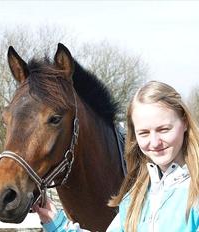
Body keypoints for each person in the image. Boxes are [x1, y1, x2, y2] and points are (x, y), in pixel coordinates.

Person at [32, 81, 199, 231]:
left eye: (164, 129)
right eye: (144, 133)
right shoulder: (135, 197)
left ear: (184, 122)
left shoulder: (195, 192)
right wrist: (57, 224)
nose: (154, 142)